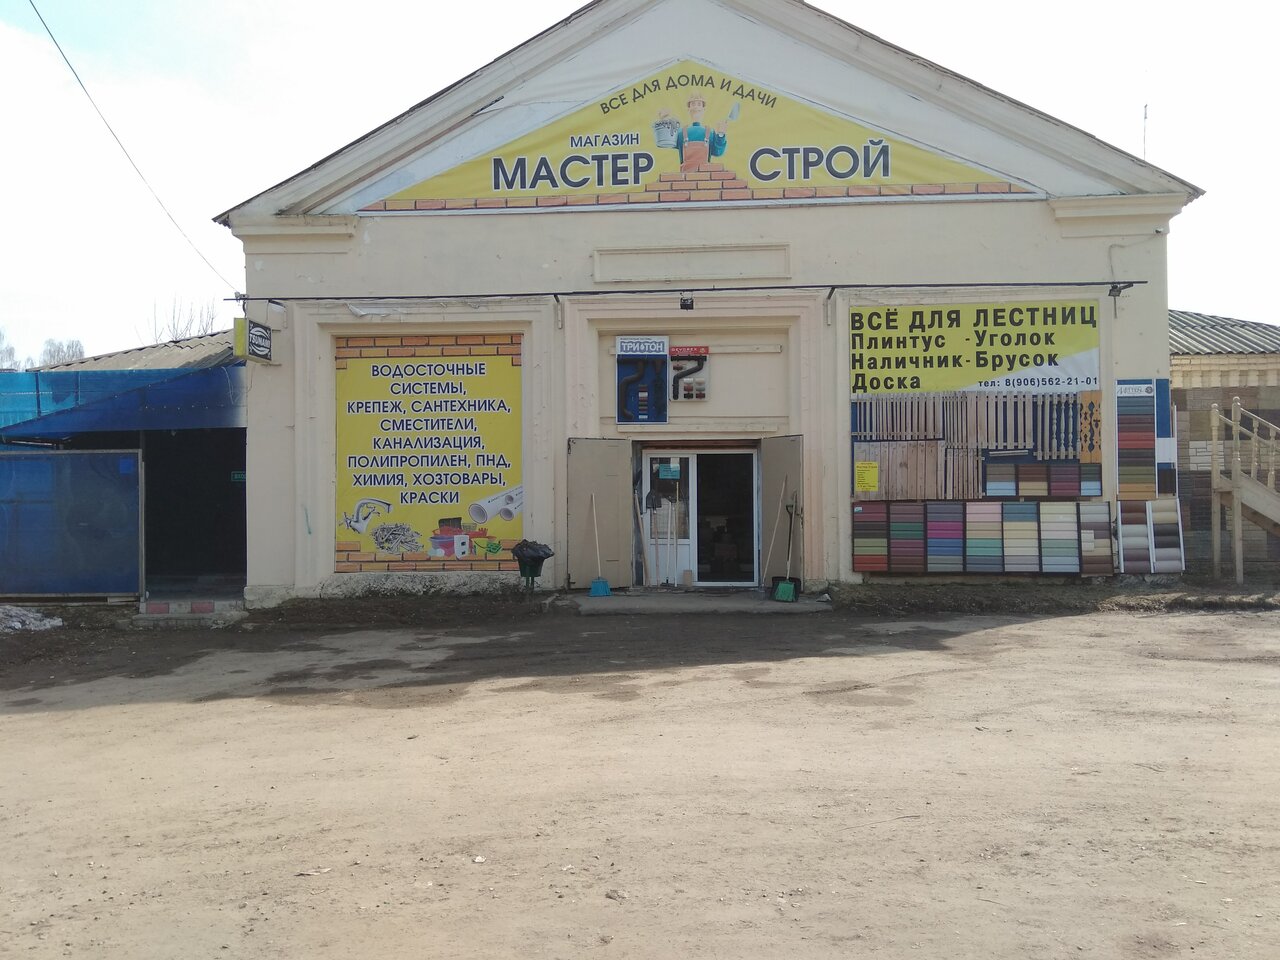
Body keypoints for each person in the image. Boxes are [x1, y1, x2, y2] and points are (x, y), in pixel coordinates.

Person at [657, 94, 727, 173]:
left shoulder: (711, 133)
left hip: (705, 177)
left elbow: (718, 152)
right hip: (685, 177)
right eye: (693, 104)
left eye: (699, 104)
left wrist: (721, 135)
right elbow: (666, 142)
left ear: (704, 109)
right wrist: (665, 120)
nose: (696, 107)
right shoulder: (680, 134)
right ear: (688, 108)